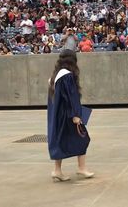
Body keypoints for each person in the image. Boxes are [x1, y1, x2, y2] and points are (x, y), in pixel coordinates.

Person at [47, 49, 94, 182]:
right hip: (68, 115)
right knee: (83, 138)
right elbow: (72, 97)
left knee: (59, 141)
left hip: (58, 116)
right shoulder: (67, 75)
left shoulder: (54, 76)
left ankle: (57, 170)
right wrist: (76, 115)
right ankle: (81, 168)